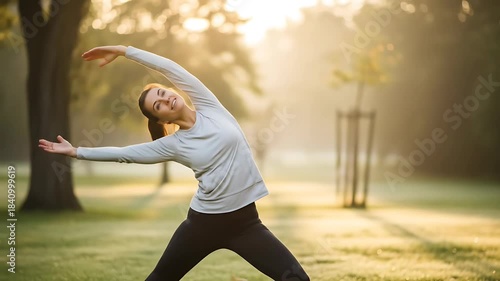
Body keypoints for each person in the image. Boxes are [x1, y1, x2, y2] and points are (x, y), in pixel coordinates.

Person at [38, 45, 310, 281]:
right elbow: (126, 153)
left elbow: (168, 67)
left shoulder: (209, 106)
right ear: (163, 120)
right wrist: (76, 152)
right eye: (159, 106)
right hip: (204, 224)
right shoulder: (173, 145)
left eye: (162, 94)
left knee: (297, 278)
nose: (166, 99)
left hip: (246, 223)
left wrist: (123, 51)